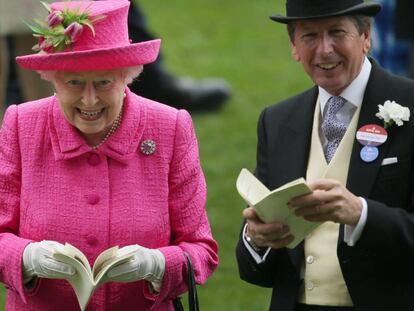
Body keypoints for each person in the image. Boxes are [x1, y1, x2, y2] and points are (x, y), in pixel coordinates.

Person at [0, 0, 218, 310]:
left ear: (128, 75)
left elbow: (201, 251)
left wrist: (157, 264)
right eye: (74, 82)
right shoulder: (22, 125)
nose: (89, 100)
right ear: (51, 78)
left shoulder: (170, 127)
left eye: (104, 82)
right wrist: (25, 258)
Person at [236, 1, 414, 310]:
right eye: (309, 37)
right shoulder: (277, 121)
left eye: (336, 32)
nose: (325, 49)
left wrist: (361, 214)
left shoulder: (409, 103)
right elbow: (255, 268)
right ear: (294, 46)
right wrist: (256, 236)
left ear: (366, 36)